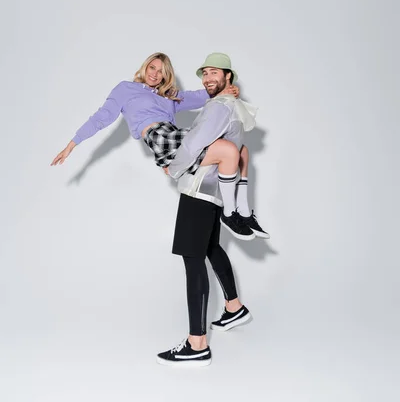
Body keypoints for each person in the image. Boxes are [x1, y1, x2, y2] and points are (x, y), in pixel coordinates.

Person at [157, 53, 269, 367]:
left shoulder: (219, 107)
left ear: (228, 77)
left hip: (199, 190)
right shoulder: (231, 105)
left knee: (192, 259)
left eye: (214, 72)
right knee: (209, 248)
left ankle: (197, 344)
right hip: (215, 192)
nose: (207, 78)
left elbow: (194, 143)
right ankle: (234, 307)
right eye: (204, 73)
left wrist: (173, 167)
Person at [50, 53, 248, 229]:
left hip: (175, 135)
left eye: (161, 71)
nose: (155, 74)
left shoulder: (168, 94)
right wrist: (71, 145)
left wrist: (228, 89)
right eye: (152, 67)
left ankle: (242, 211)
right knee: (228, 150)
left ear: (165, 75)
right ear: (144, 67)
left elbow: (200, 96)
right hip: (161, 138)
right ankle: (229, 214)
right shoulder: (125, 89)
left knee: (241, 152)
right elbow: (101, 117)